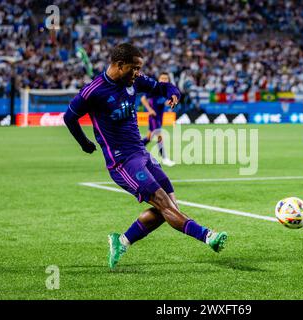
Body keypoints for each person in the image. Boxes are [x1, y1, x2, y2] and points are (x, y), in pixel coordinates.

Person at [63, 43, 228, 270]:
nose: (138, 73)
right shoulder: (93, 91)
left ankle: (121, 241)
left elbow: (163, 87)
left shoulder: (133, 81)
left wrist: (173, 93)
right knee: (164, 204)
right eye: (135, 68)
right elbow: (69, 117)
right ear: (120, 65)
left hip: (142, 154)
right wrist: (84, 143)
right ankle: (209, 236)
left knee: (169, 207)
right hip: (122, 162)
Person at [141, 72, 176, 166]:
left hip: (160, 117)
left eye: (166, 79)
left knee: (149, 137)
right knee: (160, 136)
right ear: (158, 80)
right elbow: (143, 99)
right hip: (154, 116)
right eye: (162, 78)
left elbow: (163, 102)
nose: (164, 80)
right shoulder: (154, 88)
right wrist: (150, 110)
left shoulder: (166, 91)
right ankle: (164, 158)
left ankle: (132, 151)